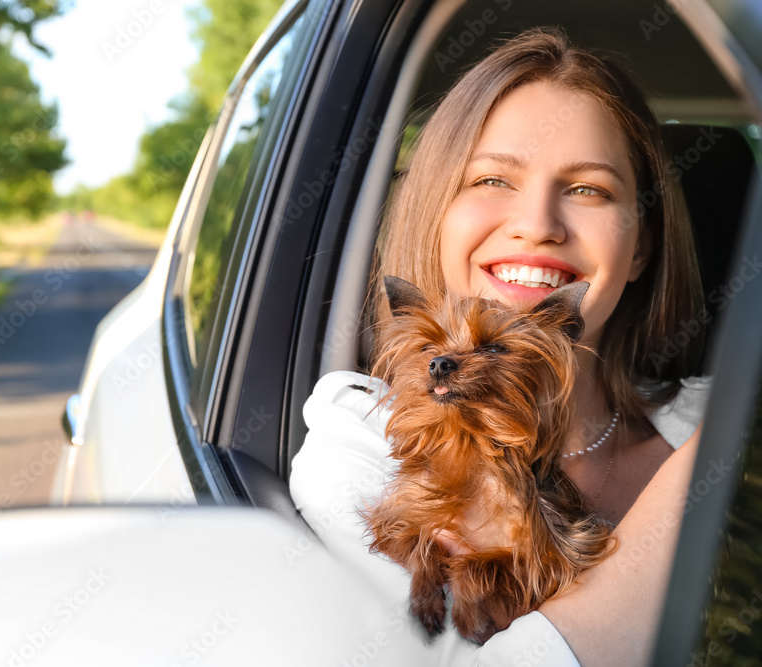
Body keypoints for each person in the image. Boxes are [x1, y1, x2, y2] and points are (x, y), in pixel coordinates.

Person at [289, 27, 712, 666]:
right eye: (490, 179)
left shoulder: (716, 411)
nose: (538, 225)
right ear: (435, 214)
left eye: (589, 189)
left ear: (642, 247)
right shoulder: (361, 455)